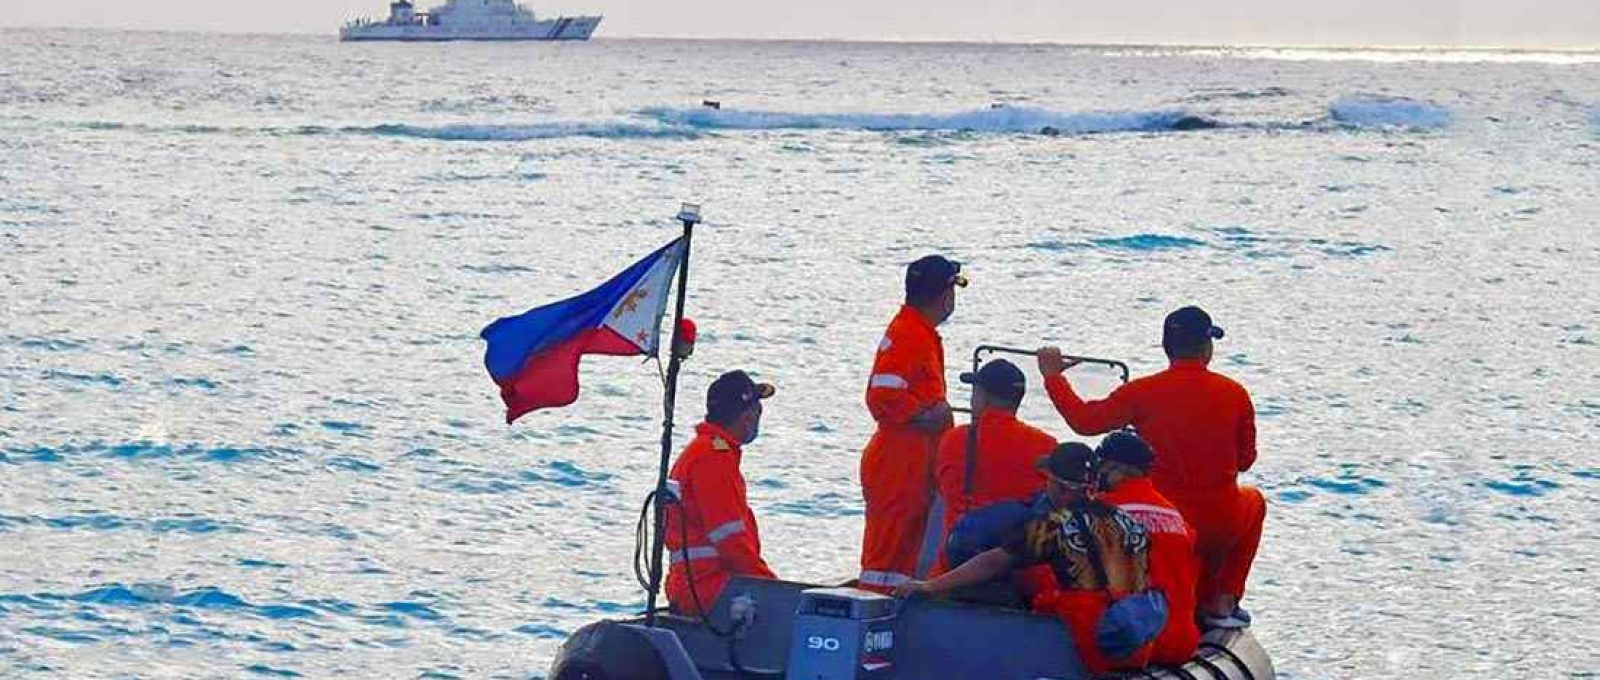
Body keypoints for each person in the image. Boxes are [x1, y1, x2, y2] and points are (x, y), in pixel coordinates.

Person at [1036, 305, 1264, 629]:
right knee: (1255, 501)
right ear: (1206, 348)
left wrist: (1053, 377)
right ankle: (1224, 600)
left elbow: (1085, 422)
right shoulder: (1235, 394)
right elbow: (1245, 461)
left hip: (1157, 521)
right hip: (1218, 524)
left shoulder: (1142, 392)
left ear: (1167, 346)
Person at [895, 443, 1161, 675]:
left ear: (1059, 486)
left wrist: (930, 586)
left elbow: (993, 562)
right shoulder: (1128, 522)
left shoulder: (1056, 525)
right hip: (1137, 644)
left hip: (1090, 647)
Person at [858, 255, 966, 592]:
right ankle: (876, 606)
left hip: (912, 462)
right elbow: (881, 393)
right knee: (887, 556)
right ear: (945, 295)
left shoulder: (918, 332)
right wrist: (924, 417)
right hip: (899, 463)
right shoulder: (909, 334)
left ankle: (891, 604)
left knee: (904, 553)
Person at [664, 370, 778, 617]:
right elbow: (731, 541)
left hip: (696, 583)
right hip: (709, 586)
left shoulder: (702, 451)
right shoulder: (714, 458)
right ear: (747, 416)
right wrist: (771, 587)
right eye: (758, 411)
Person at [935, 358, 1057, 567]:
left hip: (953, 567)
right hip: (1020, 570)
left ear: (981, 397)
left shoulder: (953, 439)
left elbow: (941, 487)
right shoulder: (1046, 445)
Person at [1096, 431, 1201, 665]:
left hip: (1137, 644)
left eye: (1102, 466)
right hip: (1183, 642)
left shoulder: (1100, 511)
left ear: (1118, 469)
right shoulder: (1174, 515)